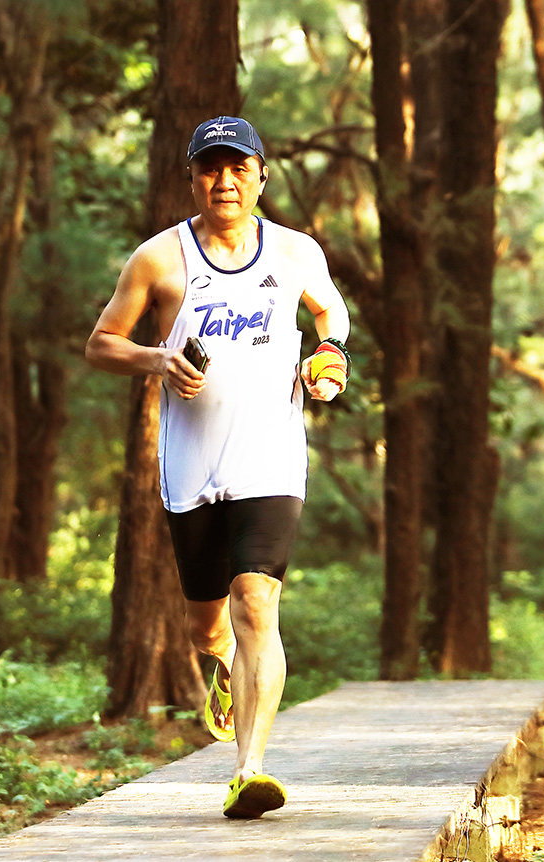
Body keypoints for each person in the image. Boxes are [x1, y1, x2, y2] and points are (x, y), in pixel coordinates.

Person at [85, 115, 351, 819]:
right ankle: (226, 667)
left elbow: (332, 314)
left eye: (239, 167)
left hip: (270, 457)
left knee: (257, 599)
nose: (225, 180)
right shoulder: (158, 260)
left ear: (262, 175)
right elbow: (100, 344)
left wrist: (331, 360)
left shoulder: (295, 253)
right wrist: (154, 358)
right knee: (210, 625)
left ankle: (249, 768)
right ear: (193, 178)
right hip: (192, 469)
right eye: (211, 168)